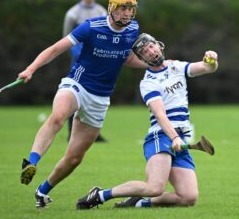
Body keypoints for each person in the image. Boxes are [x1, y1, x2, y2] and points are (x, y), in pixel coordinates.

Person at [19, 0, 147, 208]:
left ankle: (42, 191)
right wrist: (31, 69)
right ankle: (30, 162)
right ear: (112, 7)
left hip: (101, 98)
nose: (127, 13)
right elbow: (55, 49)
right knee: (58, 117)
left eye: (130, 8)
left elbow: (126, 59)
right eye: (123, 8)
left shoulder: (133, 29)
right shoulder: (91, 27)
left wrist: (156, 65)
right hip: (77, 84)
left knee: (75, 158)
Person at [76, 33, 219, 209]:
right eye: (145, 51)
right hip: (162, 136)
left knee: (188, 197)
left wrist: (211, 60)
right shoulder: (148, 83)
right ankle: (100, 195)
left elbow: (206, 68)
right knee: (154, 187)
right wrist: (174, 137)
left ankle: (140, 203)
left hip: (178, 137)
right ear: (141, 58)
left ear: (159, 45)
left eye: (151, 46)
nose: (150, 51)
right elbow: (160, 114)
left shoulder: (176, 66)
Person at [63, 0, 108, 142]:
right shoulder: (73, 13)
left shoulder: (102, 11)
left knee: (97, 95)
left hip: (99, 61)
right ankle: (71, 133)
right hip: (80, 61)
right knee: (73, 94)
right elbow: (66, 38)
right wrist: (78, 55)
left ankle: (95, 134)